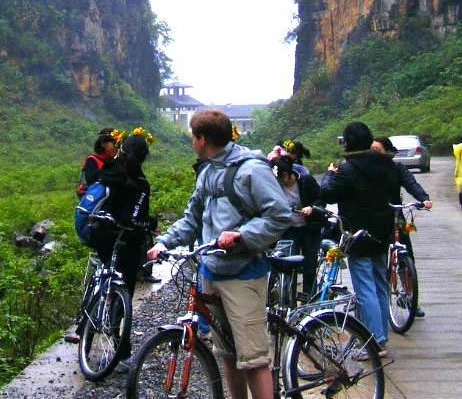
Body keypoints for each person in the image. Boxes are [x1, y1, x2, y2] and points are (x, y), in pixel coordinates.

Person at [147, 109, 290, 399]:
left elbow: (280, 214)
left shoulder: (251, 169)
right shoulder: (208, 171)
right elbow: (192, 218)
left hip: (243, 275)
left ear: (202, 138)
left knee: (253, 358)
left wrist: (242, 235)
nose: (191, 141)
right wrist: (163, 242)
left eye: (192, 136)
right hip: (211, 272)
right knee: (226, 352)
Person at [318, 121, 399, 358]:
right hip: (382, 231)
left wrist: (328, 176)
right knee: (380, 285)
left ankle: (374, 342)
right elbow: (394, 191)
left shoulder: (348, 168)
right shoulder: (385, 164)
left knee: (365, 288)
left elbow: (328, 194)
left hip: (357, 234)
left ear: (348, 142)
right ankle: (381, 336)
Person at [88, 132, 154, 368]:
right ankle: (122, 353)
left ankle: (85, 320)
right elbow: (134, 219)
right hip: (126, 243)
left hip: (101, 235)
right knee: (122, 295)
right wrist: (151, 224)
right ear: (144, 156)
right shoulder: (140, 183)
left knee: (103, 277)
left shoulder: (108, 170)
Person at [373, 136, 432, 317]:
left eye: (377, 150)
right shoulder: (369, 170)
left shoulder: (397, 168)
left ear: (388, 152)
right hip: (375, 218)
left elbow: (411, 184)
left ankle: (410, 297)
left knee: (406, 258)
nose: (374, 153)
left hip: (396, 216)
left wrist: (424, 198)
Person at [271, 156, 322, 299]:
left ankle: (309, 298)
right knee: (288, 264)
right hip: (289, 229)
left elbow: (321, 198)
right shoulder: (276, 188)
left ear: (286, 175)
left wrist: (311, 208)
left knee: (310, 265)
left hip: (309, 228)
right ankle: (289, 298)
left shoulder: (306, 181)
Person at [78, 129, 118, 196]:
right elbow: (91, 180)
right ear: (103, 144)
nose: (116, 147)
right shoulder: (92, 160)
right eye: (114, 143)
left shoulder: (115, 161)